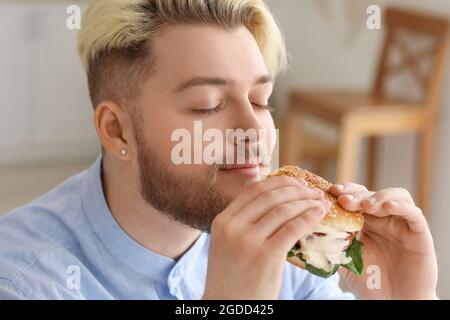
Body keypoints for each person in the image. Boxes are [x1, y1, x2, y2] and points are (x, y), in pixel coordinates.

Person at [0, 0, 437, 299]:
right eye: (208, 106)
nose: (255, 131)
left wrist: (405, 294)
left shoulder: (294, 248)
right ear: (117, 131)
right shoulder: (24, 280)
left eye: (262, 101)